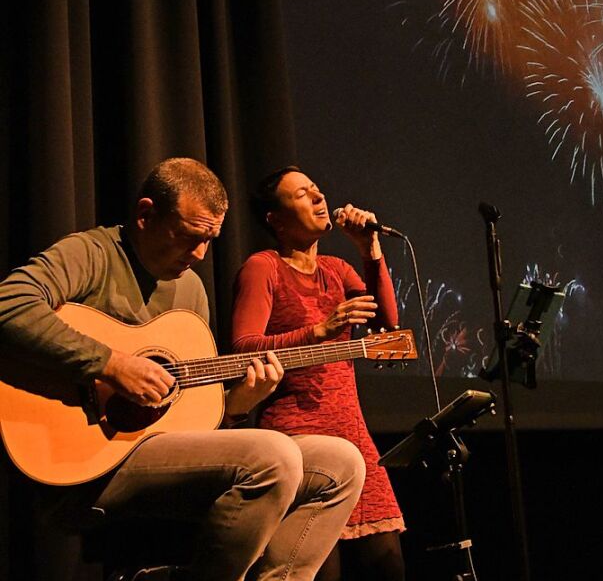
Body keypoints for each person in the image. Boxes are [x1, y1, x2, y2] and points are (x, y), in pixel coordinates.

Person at [0, 157, 365, 581]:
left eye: (209, 240)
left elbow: (188, 414)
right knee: (275, 456)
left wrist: (236, 405)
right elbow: (10, 307)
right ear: (145, 214)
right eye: (189, 237)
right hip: (80, 462)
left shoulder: (189, 289)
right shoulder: (93, 253)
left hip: (154, 452)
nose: (198, 254)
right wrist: (112, 363)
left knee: (340, 462)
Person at [232, 167, 405, 581]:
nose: (318, 197)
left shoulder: (336, 269)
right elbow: (241, 350)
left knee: (389, 568)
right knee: (319, 572)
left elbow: (387, 329)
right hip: (299, 441)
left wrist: (370, 250)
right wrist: (318, 331)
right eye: (302, 195)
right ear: (275, 219)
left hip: (353, 434)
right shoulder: (263, 267)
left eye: (317, 190)